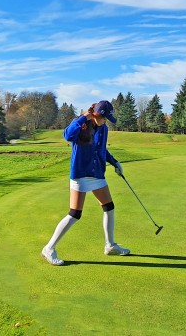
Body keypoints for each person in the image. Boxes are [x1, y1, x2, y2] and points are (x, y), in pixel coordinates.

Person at [41, 100, 130, 266]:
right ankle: (49, 248)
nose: (105, 121)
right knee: (75, 213)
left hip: (97, 174)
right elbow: (67, 135)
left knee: (109, 207)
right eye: (104, 118)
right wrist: (83, 118)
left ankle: (110, 245)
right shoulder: (81, 125)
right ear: (95, 114)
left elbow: (102, 149)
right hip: (81, 174)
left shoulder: (103, 128)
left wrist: (114, 162)